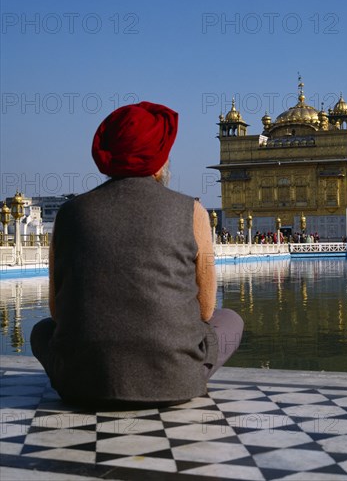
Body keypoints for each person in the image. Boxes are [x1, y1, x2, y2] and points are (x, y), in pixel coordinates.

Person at [30, 101, 244, 407]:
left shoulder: (69, 213)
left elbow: (56, 311)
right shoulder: (192, 211)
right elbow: (206, 311)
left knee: (41, 330)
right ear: (160, 159)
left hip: (80, 384)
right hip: (175, 382)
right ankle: (181, 373)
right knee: (230, 319)